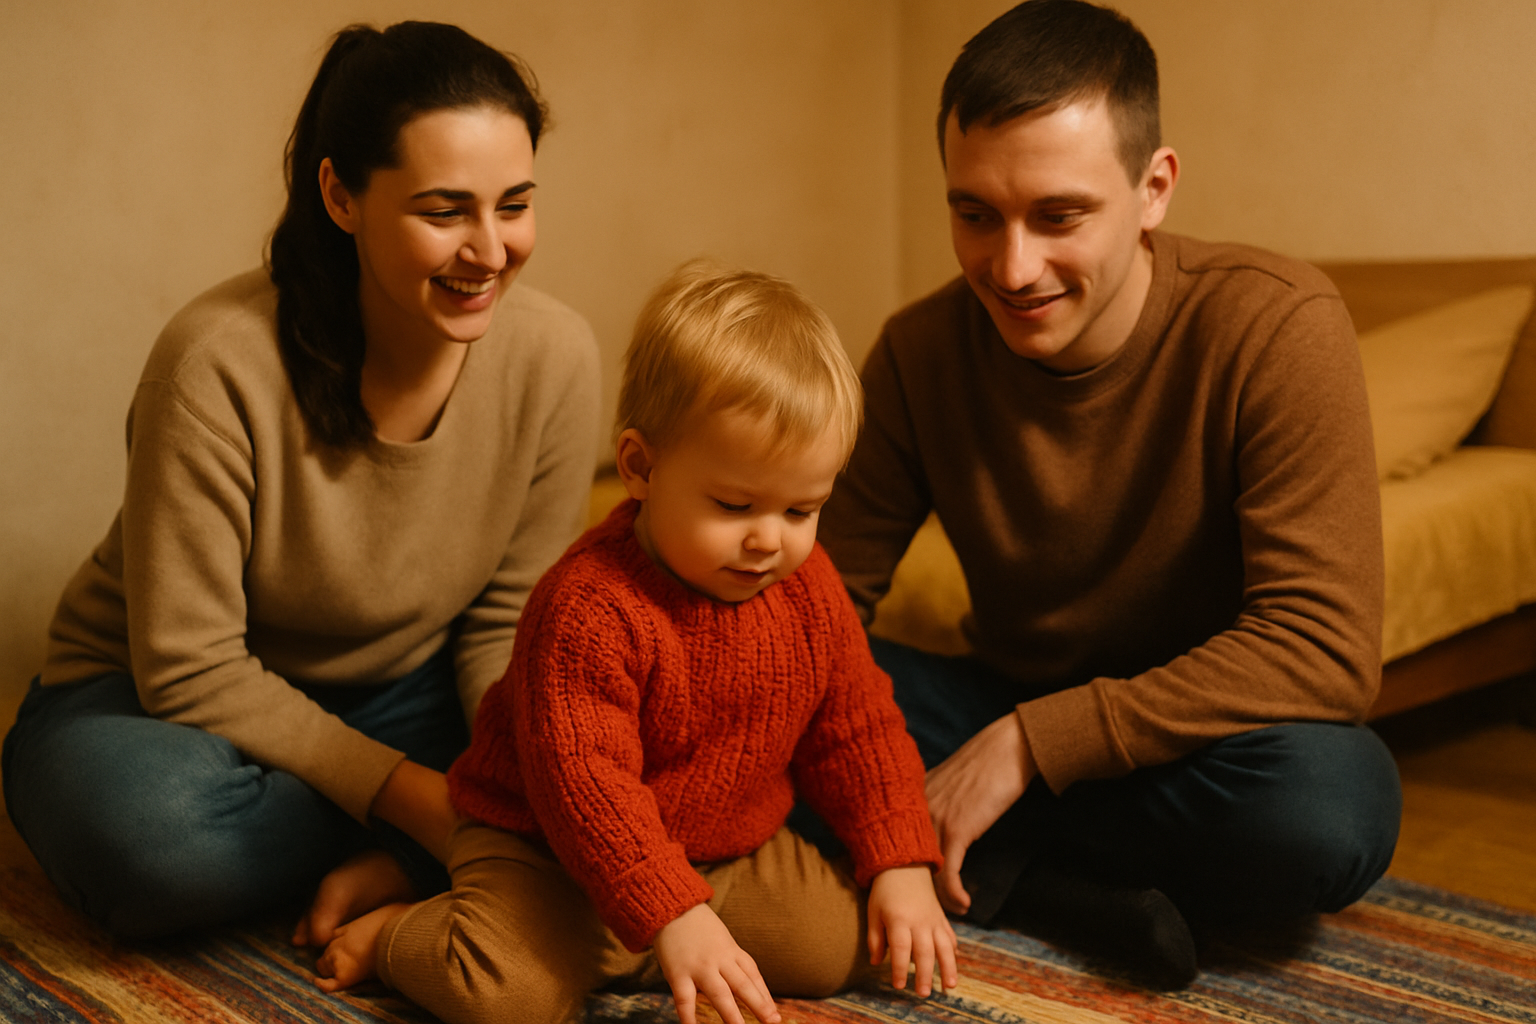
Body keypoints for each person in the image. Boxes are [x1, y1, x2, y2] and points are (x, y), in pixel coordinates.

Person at [814, 0, 1402, 988]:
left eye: (1058, 216)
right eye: (974, 214)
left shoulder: (1276, 325)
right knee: (759, 691)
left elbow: (1323, 647)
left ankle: (997, 860)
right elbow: (816, 609)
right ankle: (1065, 894)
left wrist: (1031, 746)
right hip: (994, 698)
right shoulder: (918, 352)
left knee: (1332, 809)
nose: (1011, 267)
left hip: (1199, 736)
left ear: (1153, 187)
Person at [1, 21, 599, 945]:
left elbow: (506, 623)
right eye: (445, 212)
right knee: (156, 840)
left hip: (406, 691)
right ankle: (439, 840)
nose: (490, 249)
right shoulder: (213, 364)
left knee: (608, 747)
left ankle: (413, 845)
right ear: (341, 195)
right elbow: (191, 666)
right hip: (156, 705)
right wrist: (430, 806)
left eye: (513, 205)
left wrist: (531, 766)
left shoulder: (556, 357)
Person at [311, 263, 958, 1024]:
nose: (768, 540)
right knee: (505, 998)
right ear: (639, 468)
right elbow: (587, 788)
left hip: (720, 851)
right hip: (549, 851)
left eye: (801, 509)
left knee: (840, 945)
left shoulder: (807, 586)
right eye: (735, 504)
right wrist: (672, 914)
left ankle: (633, 944)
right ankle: (409, 926)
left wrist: (900, 857)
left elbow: (858, 727)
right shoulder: (589, 605)